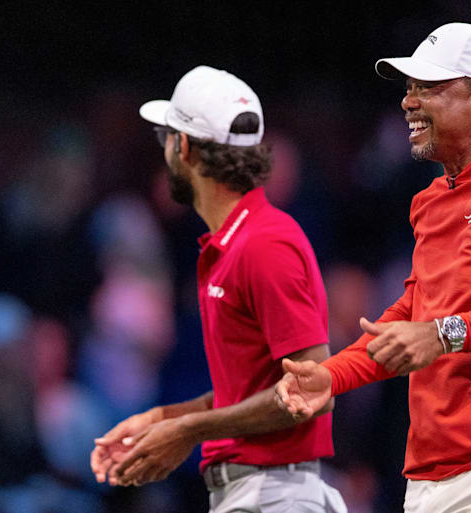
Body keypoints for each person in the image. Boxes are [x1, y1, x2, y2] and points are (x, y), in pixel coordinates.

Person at [277, 23, 471, 512]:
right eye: (409, 88)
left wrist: (446, 333)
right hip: (431, 476)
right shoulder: (432, 199)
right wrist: (332, 375)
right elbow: (416, 311)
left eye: (428, 88)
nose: (408, 102)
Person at [89, 65, 346, 513]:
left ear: (184, 148)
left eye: (166, 139)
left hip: (274, 497)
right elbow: (253, 390)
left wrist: (188, 431)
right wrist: (165, 419)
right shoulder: (233, 245)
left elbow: (311, 389)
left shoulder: (264, 243)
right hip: (253, 493)